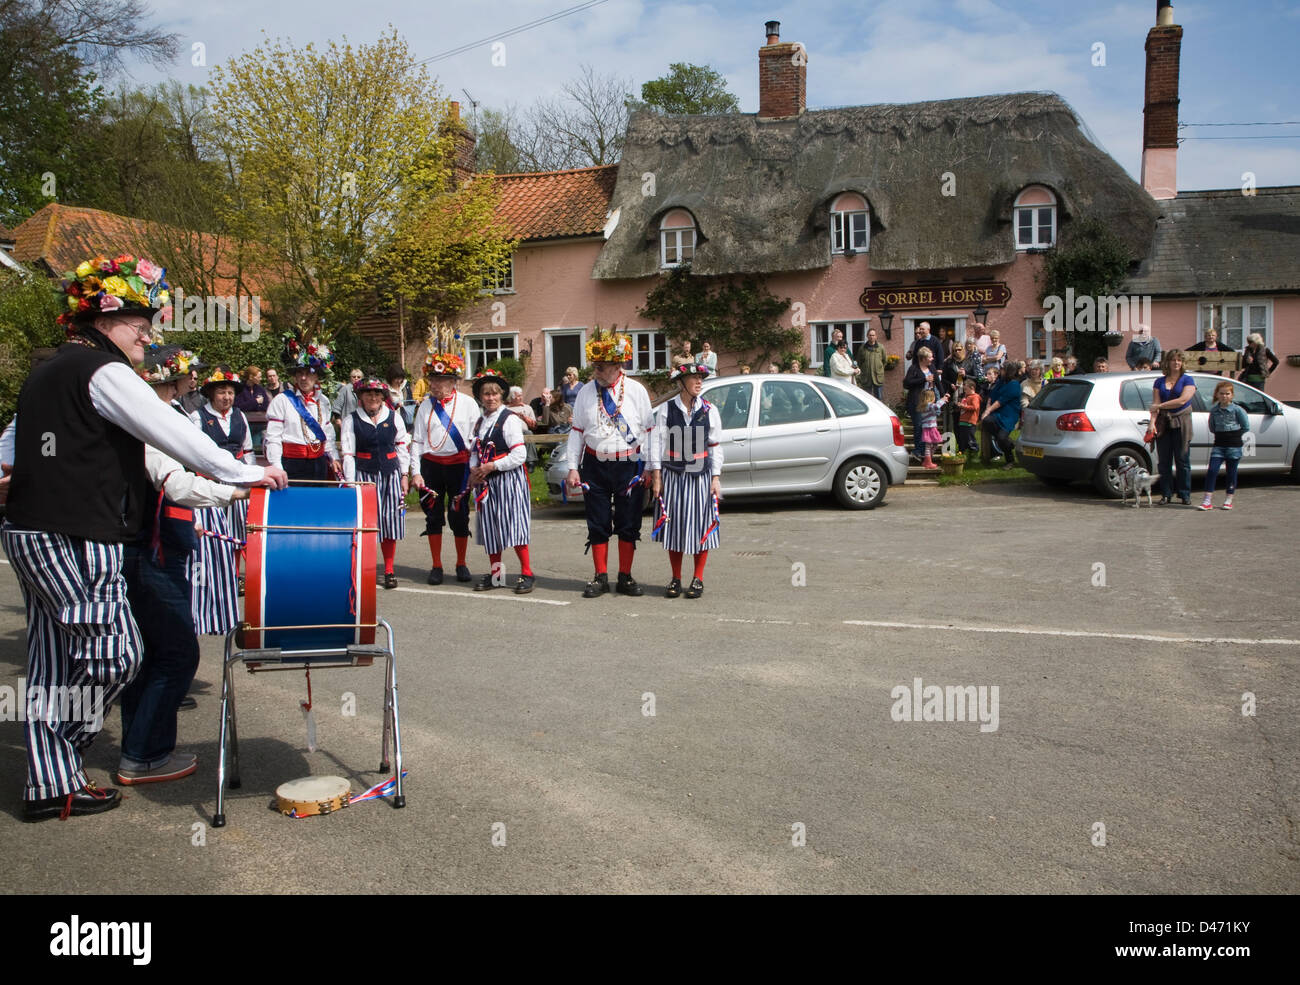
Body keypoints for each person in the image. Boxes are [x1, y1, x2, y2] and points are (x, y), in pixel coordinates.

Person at [3, 253, 285, 821]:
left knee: (54, 662)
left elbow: (9, 446)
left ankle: (50, 785)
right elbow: (173, 433)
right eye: (141, 323)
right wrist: (245, 473)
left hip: (32, 533)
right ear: (106, 321)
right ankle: (62, 750)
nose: (148, 334)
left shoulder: (47, 372)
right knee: (118, 653)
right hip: (76, 536)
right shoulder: (102, 372)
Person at [118, 348, 251, 785]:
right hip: (147, 550)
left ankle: (140, 749)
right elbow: (174, 482)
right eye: (174, 384)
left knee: (151, 653)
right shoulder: (145, 424)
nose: (182, 389)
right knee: (177, 653)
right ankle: (144, 755)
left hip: (153, 544)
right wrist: (237, 490)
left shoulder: (159, 416)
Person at [565, 328, 654, 598]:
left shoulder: (637, 390)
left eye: (601, 368)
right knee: (598, 522)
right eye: (595, 367)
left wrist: (650, 467)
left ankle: (625, 577)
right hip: (594, 466)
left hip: (629, 465)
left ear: (618, 366)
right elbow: (577, 432)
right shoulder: (584, 394)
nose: (596, 373)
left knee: (629, 523)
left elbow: (650, 432)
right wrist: (572, 467)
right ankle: (600, 577)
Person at [649, 360, 723, 598]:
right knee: (675, 528)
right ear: (681, 382)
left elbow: (715, 447)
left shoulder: (710, 410)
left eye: (702, 377)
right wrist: (657, 477)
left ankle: (698, 579)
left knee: (700, 527)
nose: (699, 381)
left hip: (700, 477)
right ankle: (676, 578)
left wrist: (716, 477)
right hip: (673, 476)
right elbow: (657, 444)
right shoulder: (666, 410)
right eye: (694, 377)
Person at [189, 367, 254, 629]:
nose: (226, 397)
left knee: (240, 527)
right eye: (221, 392)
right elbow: (193, 451)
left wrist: (250, 476)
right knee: (218, 530)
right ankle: (223, 574)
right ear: (211, 394)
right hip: (211, 480)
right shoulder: (198, 417)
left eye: (230, 392)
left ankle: (237, 574)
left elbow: (247, 449)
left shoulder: (240, 416)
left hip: (237, 478)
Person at [411, 346, 476, 585]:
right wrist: (416, 472)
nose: (434, 385)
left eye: (440, 380)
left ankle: (461, 563)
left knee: (459, 516)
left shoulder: (468, 404)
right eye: (433, 380)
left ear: (453, 382)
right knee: (433, 515)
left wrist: (474, 469)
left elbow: (474, 440)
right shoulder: (425, 406)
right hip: (431, 467)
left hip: (459, 466)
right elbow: (417, 441)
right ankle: (436, 565)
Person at [467, 372, 535, 594]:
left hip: (508, 480)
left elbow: (519, 455)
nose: (490, 397)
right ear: (480, 397)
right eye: (486, 394)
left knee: (514, 527)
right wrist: (474, 471)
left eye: (494, 393)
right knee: (490, 529)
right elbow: (475, 452)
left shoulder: (510, 419)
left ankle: (527, 573)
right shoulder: (480, 421)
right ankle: (496, 575)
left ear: (502, 395)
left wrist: (492, 467)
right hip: (487, 482)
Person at [342, 375, 410, 589]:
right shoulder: (351, 419)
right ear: (360, 397)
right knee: (366, 523)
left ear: (383, 397)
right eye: (368, 393)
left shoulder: (394, 416)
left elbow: (401, 448)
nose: (372, 397)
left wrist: (404, 475)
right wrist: (352, 484)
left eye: (377, 394)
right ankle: (367, 569)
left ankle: (389, 570)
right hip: (364, 476)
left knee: (390, 521)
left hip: (390, 474)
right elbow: (348, 453)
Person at [265, 336, 342, 482]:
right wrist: (277, 467)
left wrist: (334, 457)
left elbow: (328, 433)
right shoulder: (281, 401)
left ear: (317, 376)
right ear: (294, 376)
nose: (304, 378)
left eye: (309, 373)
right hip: (292, 465)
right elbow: (273, 437)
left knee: (318, 503)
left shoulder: (323, 401)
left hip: (319, 464)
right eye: (300, 373)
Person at [1150, 349, 1196, 505]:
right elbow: (1154, 405)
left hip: (1181, 422)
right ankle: (1166, 494)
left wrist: (1161, 405)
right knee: (1164, 461)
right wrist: (1152, 424)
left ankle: (1185, 494)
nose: (1176, 363)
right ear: (1167, 362)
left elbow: (1183, 400)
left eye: (1179, 360)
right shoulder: (1159, 381)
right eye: (1173, 360)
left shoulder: (1188, 380)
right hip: (1164, 423)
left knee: (1182, 459)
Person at [1200, 381, 1250, 511]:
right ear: (1217, 394)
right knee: (1212, 471)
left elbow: (1246, 426)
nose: (1224, 396)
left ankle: (1229, 498)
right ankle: (1207, 500)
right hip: (1219, 445)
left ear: (1232, 395)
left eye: (1227, 394)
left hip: (1234, 446)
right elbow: (1212, 427)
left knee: (1231, 472)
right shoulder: (1214, 411)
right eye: (1221, 393)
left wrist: (1234, 435)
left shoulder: (1237, 410)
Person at [980, 363, 1022, 466]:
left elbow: (1000, 401)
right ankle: (1009, 442)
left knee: (1002, 438)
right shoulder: (1001, 382)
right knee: (987, 421)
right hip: (997, 413)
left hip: (1009, 415)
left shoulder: (1014, 385)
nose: (1000, 371)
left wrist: (987, 411)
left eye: (1002, 369)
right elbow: (992, 395)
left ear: (1009, 372)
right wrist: (987, 409)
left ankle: (1010, 460)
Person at [903, 347, 938, 460]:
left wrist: (943, 395)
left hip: (928, 403)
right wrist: (923, 379)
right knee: (918, 426)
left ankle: (923, 451)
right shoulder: (914, 368)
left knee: (926, 427)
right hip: (916, 402)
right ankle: (917, 450)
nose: (932, 359)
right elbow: (907, 383)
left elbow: (937, 381)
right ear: (923, 359)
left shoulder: (932, 367)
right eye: (930, 357)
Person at [915, 389, 948, 470]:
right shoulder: (929, 405)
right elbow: (936, 406)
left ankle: (928, 460)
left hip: (929, 427)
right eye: (934, 397)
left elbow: (935, 409)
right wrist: (943, 400)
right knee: (929, 445)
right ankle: (928, 461)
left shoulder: (925, 406)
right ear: (930, 398)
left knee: (932, 445)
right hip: (930, 428)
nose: (935, 399)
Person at [856, 327, 885, 400]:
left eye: (873, 335)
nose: (871, 337)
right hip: (866, 378)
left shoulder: (880, 347)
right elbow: (859, 361)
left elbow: (884, 360)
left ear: (876, 336)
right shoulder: (862, 348)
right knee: (867, 399)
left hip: (877, 377)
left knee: (879, 399)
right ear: (867, 336)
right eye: (870, 335)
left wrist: (879, 369)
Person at [956, 379, 981, 453]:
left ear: (972, 388)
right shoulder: (966, 396)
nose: (965, 391)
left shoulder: (975, 397)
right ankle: (963, 453)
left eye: (966, 389)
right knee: (963, 440)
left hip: (970, 422)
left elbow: (974, 407)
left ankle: (975, 452)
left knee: (970, 439)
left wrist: (963, 406)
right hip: (963, 421)